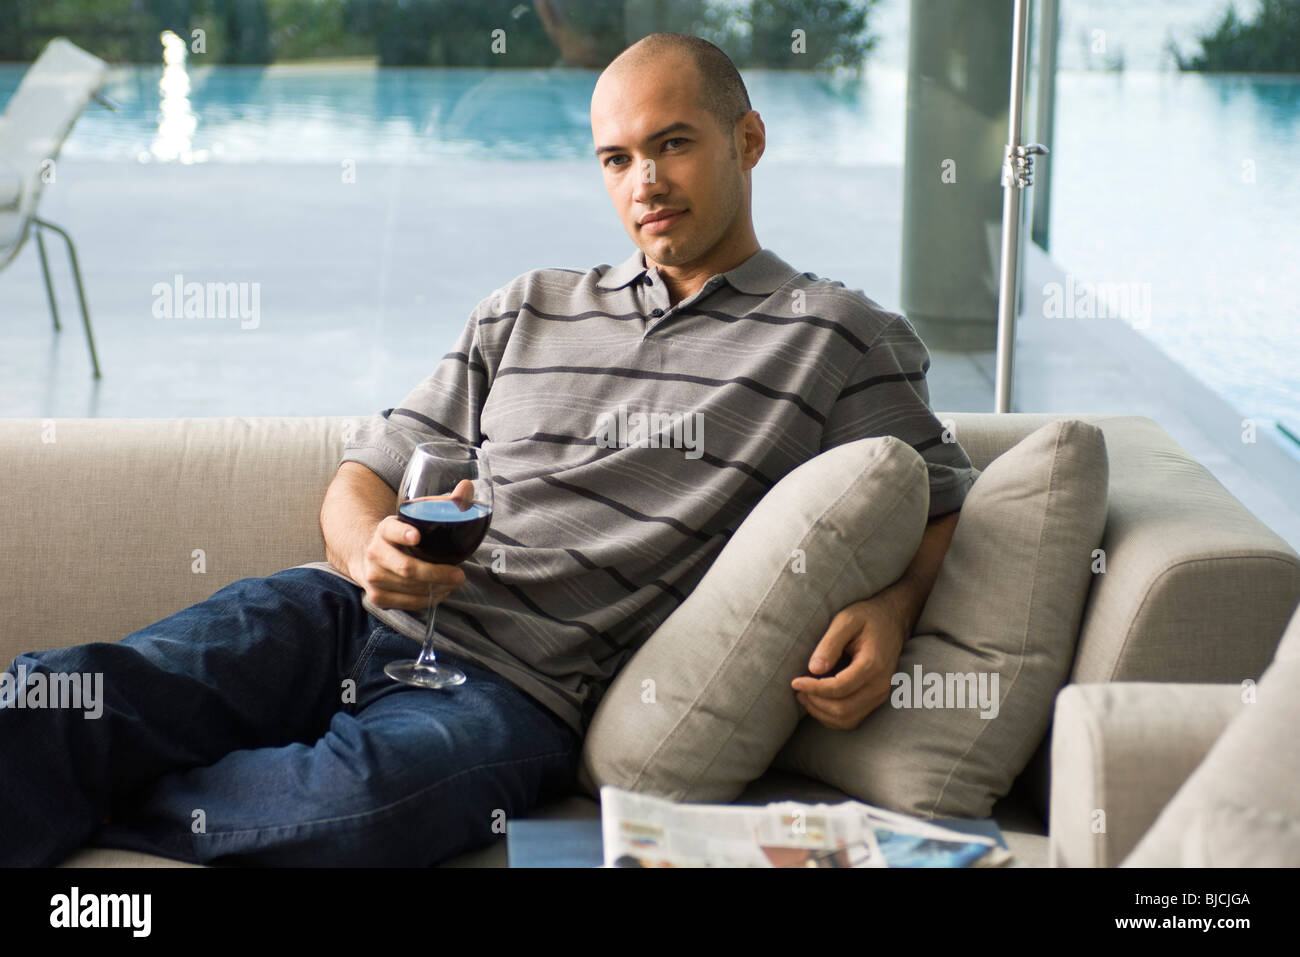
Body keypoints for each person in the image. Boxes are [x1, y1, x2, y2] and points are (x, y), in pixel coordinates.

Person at [0, 33, 976, 868]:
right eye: (616, 158)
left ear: (747, 139)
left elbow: (938, 504)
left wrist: (888, 612)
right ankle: (79, 773)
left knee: (343, 814)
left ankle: (91, 788)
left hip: (517, 692)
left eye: (671, 146)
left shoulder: (835, 334)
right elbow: (366, 474)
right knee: (61, 696)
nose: (645, 184)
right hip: (342, 616)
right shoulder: (529, 304)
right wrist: (366, 551)